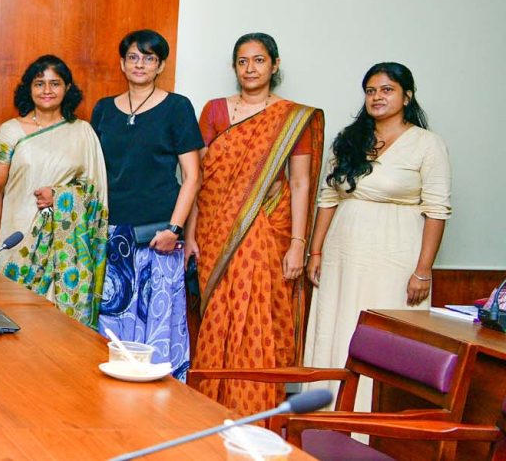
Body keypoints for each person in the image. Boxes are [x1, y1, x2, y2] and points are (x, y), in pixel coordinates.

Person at [185, 33, 323, 414]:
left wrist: (298, 243)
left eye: (259, 60)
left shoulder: (292, 118)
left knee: (256, 316)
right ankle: (208, 410)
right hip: (214, 229)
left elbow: (300, 182)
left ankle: (254, 411)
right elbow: (199, 177)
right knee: (217, 316)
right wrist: (191, 234)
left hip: (266, 227)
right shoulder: (214, 110)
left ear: (274, 65)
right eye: (243, 61)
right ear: (234, 67)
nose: (250, 68)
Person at [304, 62, 449, 411]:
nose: (377, 97)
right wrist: (316, 252)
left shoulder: (427, 144)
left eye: (387, 90)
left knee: (380, 331)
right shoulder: (350, 140)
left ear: (407, 96)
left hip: (394, 255)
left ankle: (371, 420)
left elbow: (437, 210)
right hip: (342, 253)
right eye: (371, 91)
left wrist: (423, 271)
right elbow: (328, 197)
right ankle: (322, 416)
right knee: (335, 324)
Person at [92, 29, 203, 380]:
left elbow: (192, 176)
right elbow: (93, 171)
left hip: (159, 236)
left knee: (157, 325)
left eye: (149, 58)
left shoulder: (177, 108)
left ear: (161, 65)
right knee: (111, 324)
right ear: (122, 63)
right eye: (133, 57)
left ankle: (159, 402)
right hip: (112, 236)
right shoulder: (104, 110)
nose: (140, 64)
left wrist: (175, 229)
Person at [0, 55, 108, 327]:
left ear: (67, 88)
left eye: (55, 83)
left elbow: (96, 193)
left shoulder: (83, 132)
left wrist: (61, 196)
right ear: (29, 88)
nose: (47, 90)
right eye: (39, 83)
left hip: (66, 251)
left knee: (58, 329)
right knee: (14, 319)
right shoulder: (10, 131)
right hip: (17, 238)